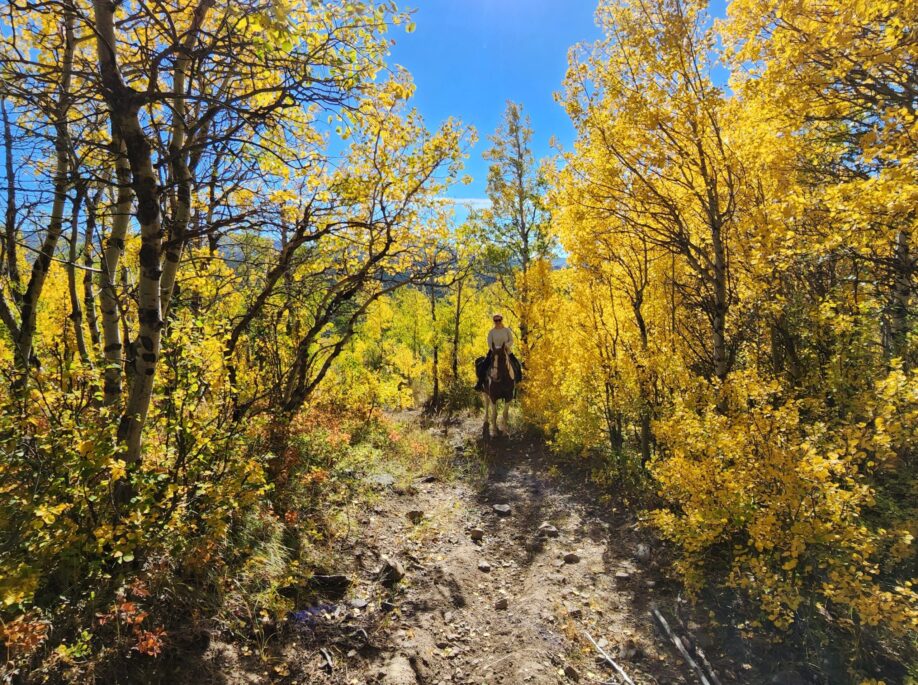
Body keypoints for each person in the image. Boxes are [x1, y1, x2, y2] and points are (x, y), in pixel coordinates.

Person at [475, 313, 523, 391]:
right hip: (494, 352)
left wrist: (506, 346)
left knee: (517, 364)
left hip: (506, 351)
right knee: (484, 366)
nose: (497, 322)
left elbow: (511, 340)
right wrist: (495, 349)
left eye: (499, 320)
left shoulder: (507, 330)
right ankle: (480, 383)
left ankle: (519, 383)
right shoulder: (491, 332)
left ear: (501, 320)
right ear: (494, 321)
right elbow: (489, 342)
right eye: (495, 320)